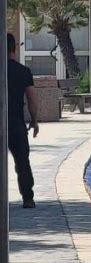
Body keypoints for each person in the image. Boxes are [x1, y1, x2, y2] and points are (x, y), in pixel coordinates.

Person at [7, 33, 38, 209]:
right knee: (22, 161)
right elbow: (32, 99)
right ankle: (28, 197)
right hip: (16, 123)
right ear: (14, 48)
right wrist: (34, 120)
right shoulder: (23, 71)